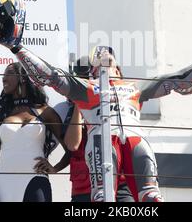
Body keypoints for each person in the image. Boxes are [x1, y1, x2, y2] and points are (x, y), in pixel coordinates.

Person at [0, 0, 192, 202]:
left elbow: (179, 82)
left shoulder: (135, 87)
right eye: (97, 58)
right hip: (103, 151)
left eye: (109, 57)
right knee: (103, 191)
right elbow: (51, 76)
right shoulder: (88, 89)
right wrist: (16, 48)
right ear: (91, 71)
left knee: (151, 193)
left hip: (134, 146)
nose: (103, 58)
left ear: (119, 67)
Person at [53, 57, 134, 202]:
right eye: (79, 79)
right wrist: (82, 100)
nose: (84, 82)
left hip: (119, 182)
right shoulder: (66, 108)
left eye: (88, 78)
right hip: (82, 188)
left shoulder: (120, 102)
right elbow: (72, 147)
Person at [0, 62, 70, 202]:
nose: (4, 78)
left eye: (9, 73)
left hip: (36, 179)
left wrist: (55, 168)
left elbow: (71, 148)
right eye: (3, 75)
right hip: (4, 185)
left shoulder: (45, 112)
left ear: (23, 78)